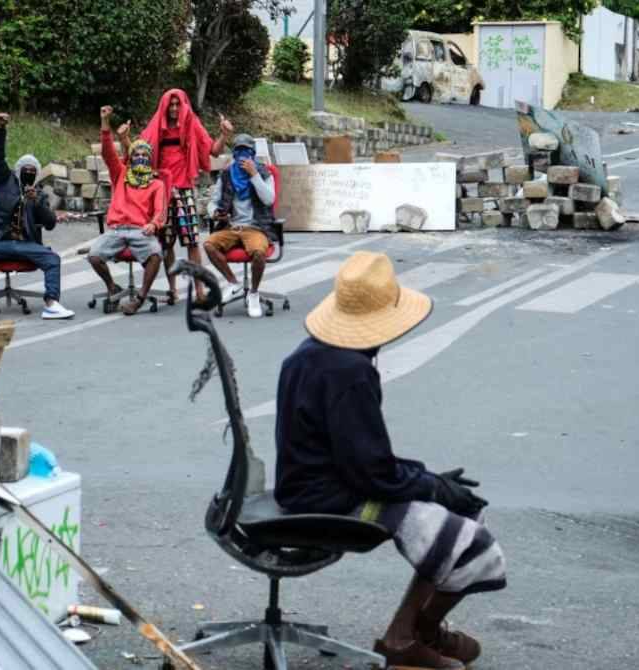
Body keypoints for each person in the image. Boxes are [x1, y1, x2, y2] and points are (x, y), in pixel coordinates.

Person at [275, 252, 505, 670]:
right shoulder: (350, 371)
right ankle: (418, 633)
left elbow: (363, 457)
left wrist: (425, 479)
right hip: (327, 499)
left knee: (461, 507)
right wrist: (429, 485)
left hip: (313, 485)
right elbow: (371, 473)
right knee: (470, 541)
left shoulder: (309, 353)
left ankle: (406, 635)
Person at [125, 89, 232, 301]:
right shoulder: (157, 124)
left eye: (177, 104)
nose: (174, 108)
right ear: (165, 106)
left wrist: (224, 135)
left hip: (184, 190)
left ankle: (199, 290)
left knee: (192, 241)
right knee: (166, 243)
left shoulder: (192, 123)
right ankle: (172, 290)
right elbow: (137, 151)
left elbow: (214, 151)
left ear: (183, 105)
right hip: (162, 191)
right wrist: (124, 138)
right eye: (170, 105)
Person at [0, 112, 74, 323]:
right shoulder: (4, 181)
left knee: (53, 259)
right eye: (25, 170)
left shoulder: (39, 194)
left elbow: (50, 224)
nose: (28, 173)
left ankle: (52, 303)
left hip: (26, 244)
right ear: (18, 170)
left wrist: (37, 202)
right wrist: (0, 129)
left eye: (33, 171)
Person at [86, 106, 165, 316]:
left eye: (144, 154)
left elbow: (160, 211)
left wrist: (153, 224)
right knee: (94, 256)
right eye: (136, 154)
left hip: (141, 230)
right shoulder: (120, 173)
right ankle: (112, 287)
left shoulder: (157, 184)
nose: (140, 157)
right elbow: (107, 152)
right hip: (117, 229)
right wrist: (105, 122)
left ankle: (140, 298)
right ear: (130, 157)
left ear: (150, 158)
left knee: (156, 254)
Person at [204, 133, 276, 318]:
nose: (243, 156)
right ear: (234, 154)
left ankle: (254, 293)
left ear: (253, 154)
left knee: (258, 252)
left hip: (256, 227)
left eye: (247, 151)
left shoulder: (264, 173)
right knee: (209, 245)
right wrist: (215, 212)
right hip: (231, 226)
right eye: (239, 151)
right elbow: (213, 202)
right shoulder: (227, 174)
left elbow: (269, 200)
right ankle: (232, 282)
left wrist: (254, 175)